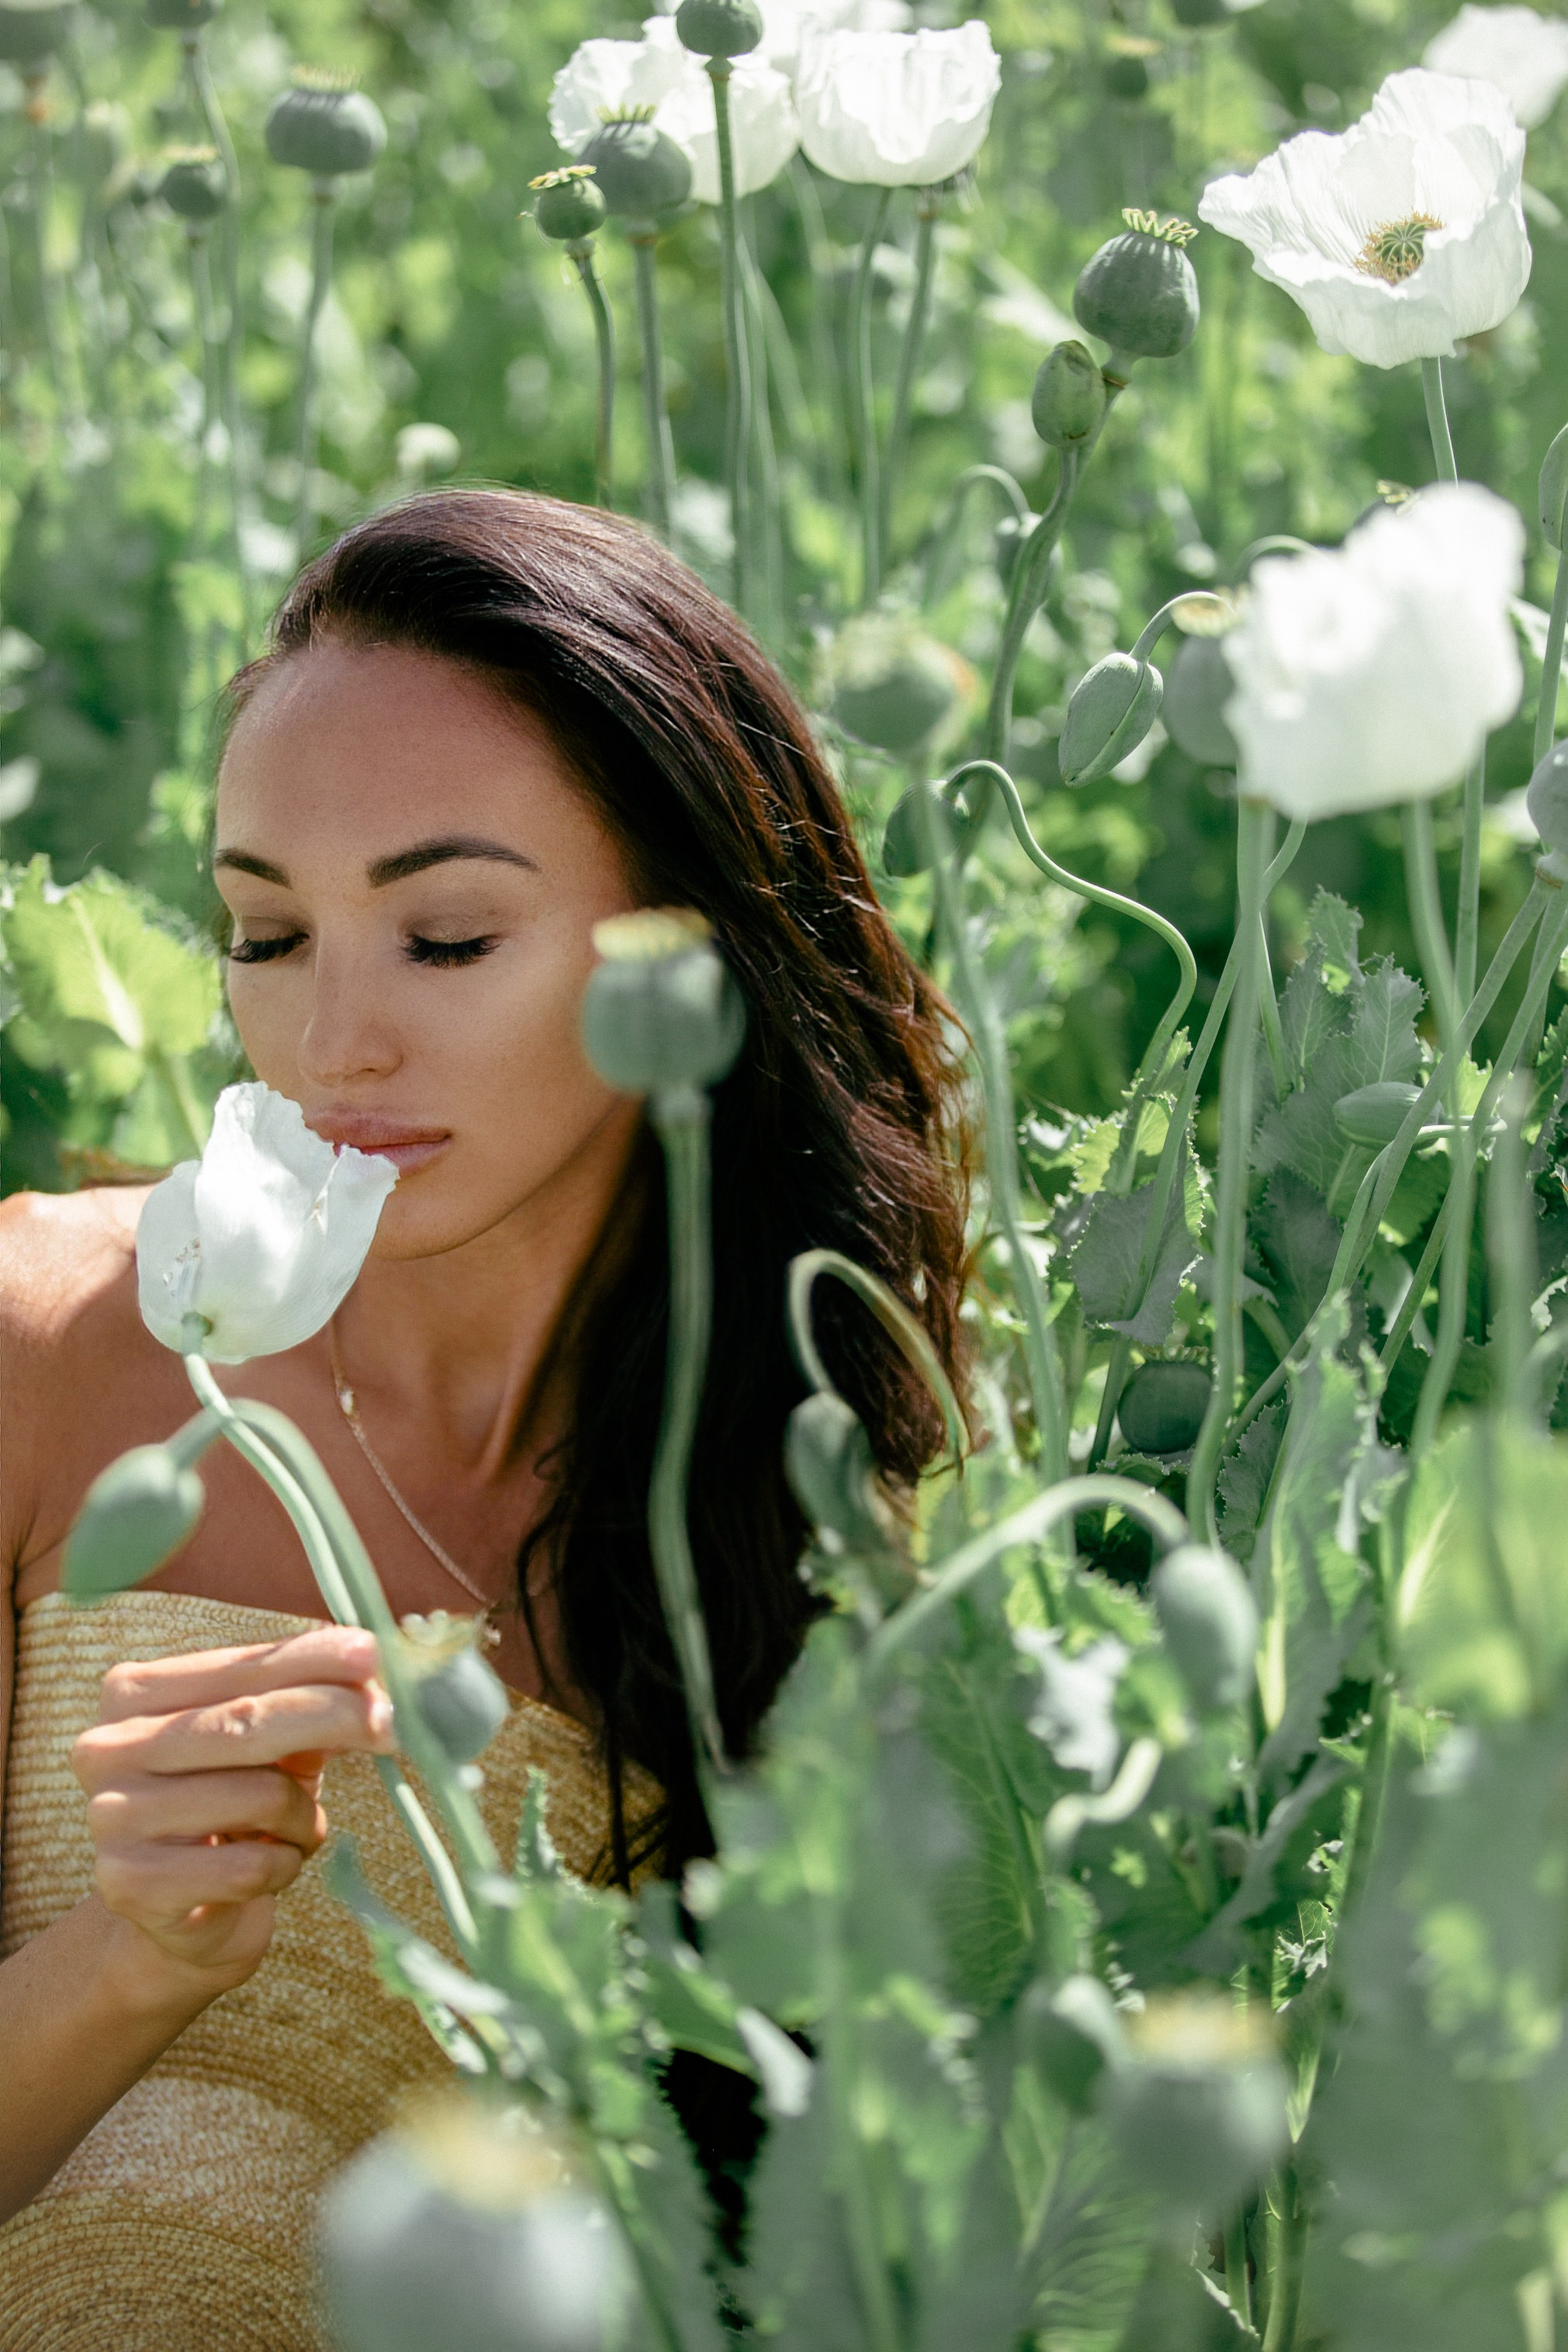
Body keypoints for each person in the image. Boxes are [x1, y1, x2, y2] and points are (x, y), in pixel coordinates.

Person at [0, 490, 970, 2346]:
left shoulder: (817, 1507)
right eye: (266, 935)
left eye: (446, 940)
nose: (331, 1044)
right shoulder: (45, 1340)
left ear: (693, 950)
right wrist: (124, 1964)